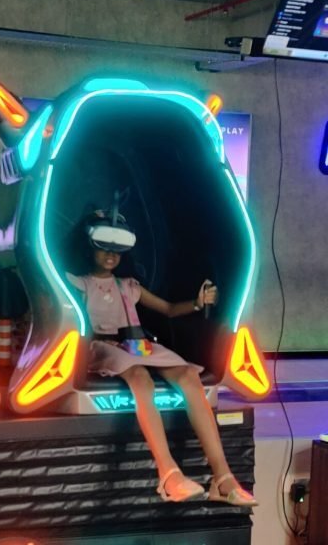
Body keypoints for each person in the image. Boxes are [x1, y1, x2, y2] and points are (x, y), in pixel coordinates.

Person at [67, 209, 257, 506]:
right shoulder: (79, 284)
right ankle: (168, 473)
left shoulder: (128, 285)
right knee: (140, 378)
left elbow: (168, 309)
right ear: (89, 246)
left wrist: (197, 303)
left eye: (117, 249)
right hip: (103, 347)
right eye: (103, 246)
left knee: (188, 375)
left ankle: (223, 477)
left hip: (136, 344)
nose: (110, 255)